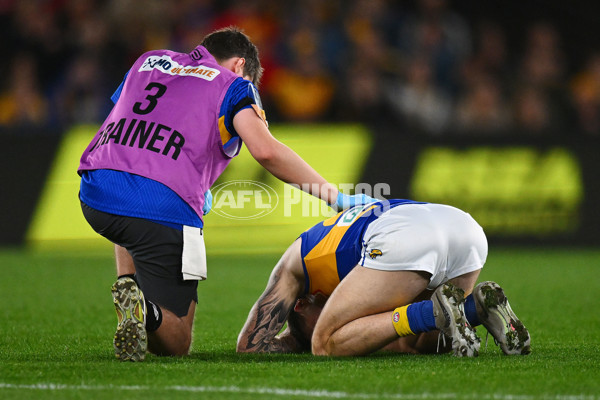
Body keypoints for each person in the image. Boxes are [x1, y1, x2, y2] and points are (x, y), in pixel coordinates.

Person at [78, 26, 374, 361]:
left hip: (95, 189)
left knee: (130, 210)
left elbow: (126, 121)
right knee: (176, 342)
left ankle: (128, 285)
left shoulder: (150, 60)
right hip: (161, 202)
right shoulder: (235, 85)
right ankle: (145, 309)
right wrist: (335, 197)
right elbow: (265, 151)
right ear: (239, 65)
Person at [237, 199, 531, 356]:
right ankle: (476, 307)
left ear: (301, 304)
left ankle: (434, 310)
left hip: (405, 235)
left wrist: (307, 339)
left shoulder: (293, 267)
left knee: (324, 345)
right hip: (463, 227)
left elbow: (249, 346)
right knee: (422, 342)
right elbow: (397, 340)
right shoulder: (329, 247)